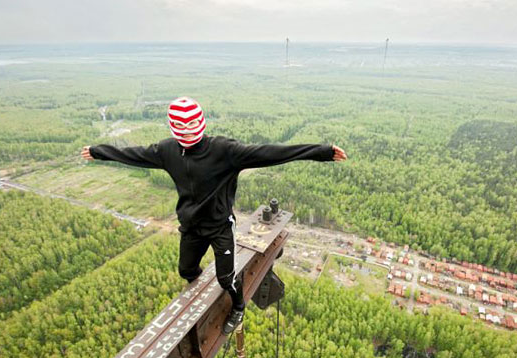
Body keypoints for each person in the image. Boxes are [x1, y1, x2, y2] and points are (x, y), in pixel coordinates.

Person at [82, 96, 347, 334]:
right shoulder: (167, 151)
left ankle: (239, 307)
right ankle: (201, 292)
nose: (187, 130)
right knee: (186, 270)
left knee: (226, 278)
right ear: (174, 128)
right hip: (191, 227)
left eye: (190, 124)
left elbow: (271, 152)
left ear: (201, 123)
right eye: (181, 126)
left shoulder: (224, 151)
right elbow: (132, 155)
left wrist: (321, 152)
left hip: (220, 226)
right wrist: (98, 152)